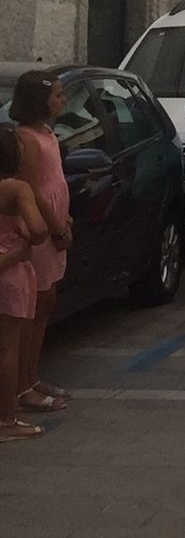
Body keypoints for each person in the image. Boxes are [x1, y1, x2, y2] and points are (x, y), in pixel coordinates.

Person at [10, 70, 73, 414]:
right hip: (43, 229)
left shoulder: (48, 134)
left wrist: (66, 219)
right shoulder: (27, 139)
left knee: (46, 303)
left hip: (56, 223)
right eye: (58, 95)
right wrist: (55, 227)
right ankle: (21, 385)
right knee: (34, 304)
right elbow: (33, 189)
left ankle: (31, 376)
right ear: (41, 101)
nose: (63, 100)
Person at [0, 124, 47, 442]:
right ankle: (6, 419)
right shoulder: (16, 189)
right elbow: (39, 229)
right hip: (10, 272)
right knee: (8, 347)